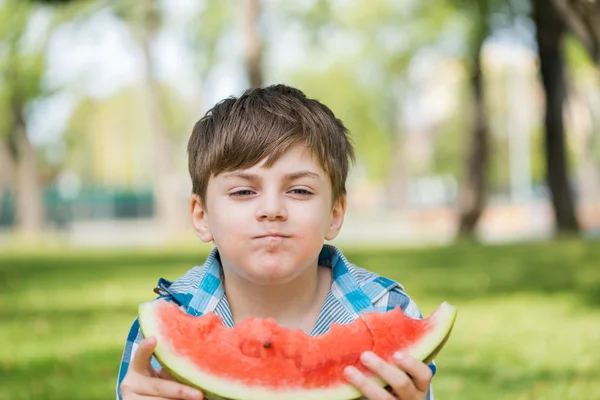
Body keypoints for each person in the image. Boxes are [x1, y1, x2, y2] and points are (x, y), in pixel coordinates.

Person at [116, 84, 436, 400]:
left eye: (299, 190)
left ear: (335, 213)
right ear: (202, 216)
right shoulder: (160, 330)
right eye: (243, 191)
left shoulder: (390, 309)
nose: (272, 210)